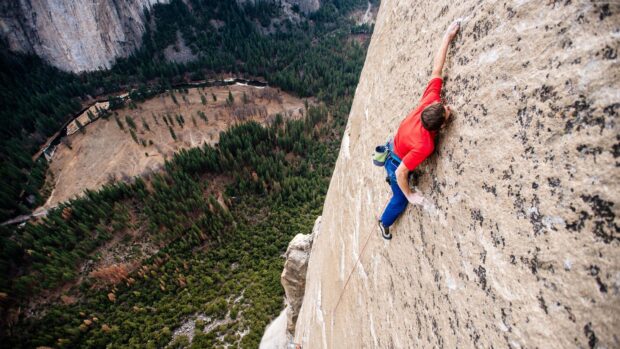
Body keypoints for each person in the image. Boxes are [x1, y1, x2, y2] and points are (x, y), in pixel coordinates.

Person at [378, 21, 460, 240]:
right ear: (441, 127)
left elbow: (437, 69)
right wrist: (411, 195)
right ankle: (384, 223)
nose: (448, 107)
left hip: (394, 146)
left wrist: (447, 38)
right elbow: (400, 172)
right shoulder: (425, 144)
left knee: (403, 173)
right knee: (400, 199)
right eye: (446, 112)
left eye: (444, 107)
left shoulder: (430, 100)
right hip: (395, 162)